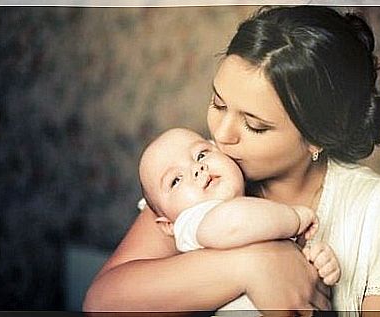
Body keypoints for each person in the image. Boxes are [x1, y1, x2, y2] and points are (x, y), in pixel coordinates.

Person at [83, 5, 380, 314]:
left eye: (254, 125)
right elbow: (102, 303)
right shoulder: (198, 183)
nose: (222, 134)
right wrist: (250, 265)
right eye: (218, 104)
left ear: (317, 137)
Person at [138, 127, 340, 313]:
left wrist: (318, 260)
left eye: (201, 154)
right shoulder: (191, 222)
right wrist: (295, 218)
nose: (197, 168)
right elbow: (234, 222)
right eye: (176, 180)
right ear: (168, 225)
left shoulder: (259, 206)